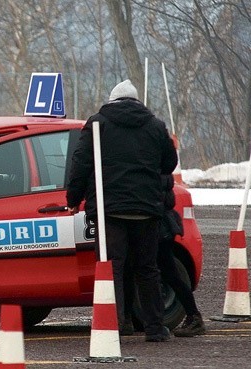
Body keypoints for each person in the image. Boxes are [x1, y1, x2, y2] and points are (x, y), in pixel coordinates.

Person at [66, 79, 178, 342]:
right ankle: (154, 328)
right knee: (147, 268)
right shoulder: (156, 126)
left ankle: (112, 324)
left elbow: (81, 163)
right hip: (147, 208)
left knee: (110, 268)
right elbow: (169, 163)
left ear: (112, 99)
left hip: (109, 210)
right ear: (137, 101)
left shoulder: (97, 124)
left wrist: (74, 198)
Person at [158, 174, 206, 337]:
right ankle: (193, 316)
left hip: (159, 224)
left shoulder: (148, 163)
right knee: (169, 273)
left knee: (169, 273)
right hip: (161, 222)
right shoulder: (153, 158)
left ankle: (193, 316)